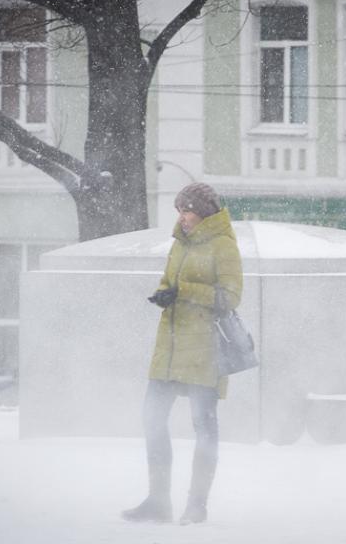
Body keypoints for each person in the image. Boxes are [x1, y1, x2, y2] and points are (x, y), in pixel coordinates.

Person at [121, 182, 243, 525]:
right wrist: (164, 294)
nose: (182, 216)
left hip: (204, 351)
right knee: (152, 419)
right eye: (178, 210)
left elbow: (230, 297)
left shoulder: (224, 246)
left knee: (204, 428)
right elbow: (168, 282)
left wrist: (184, 292)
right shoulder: (179, 243)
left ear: (203, 212)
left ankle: (197, 505)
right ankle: (158, 501)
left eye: (186, 210)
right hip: (170, 347)